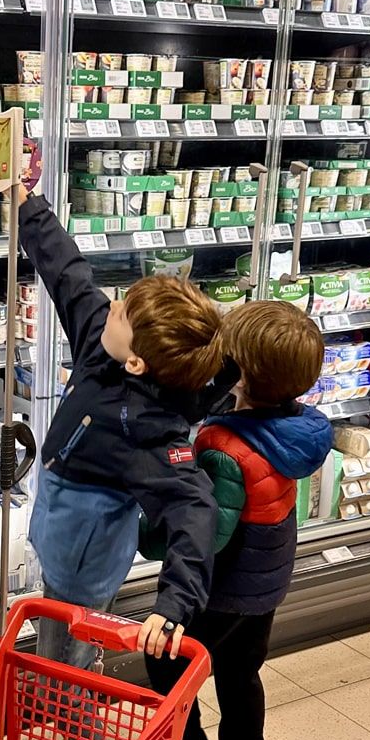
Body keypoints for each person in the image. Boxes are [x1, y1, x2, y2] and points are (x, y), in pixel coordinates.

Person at [17, 187, 223, 669]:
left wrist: (174, 606)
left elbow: (195, 509)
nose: (111, 305)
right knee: (57, 646)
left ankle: (74, 723)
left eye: (123, 312)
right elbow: (70, 276)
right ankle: (60, 704)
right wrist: (27, 203)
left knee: (73, 664)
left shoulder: (149, 429)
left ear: (136, 362)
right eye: (123, 299)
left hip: (86, 561)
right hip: (61, 531)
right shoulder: (102, 344)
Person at [146, 299, 331, 740]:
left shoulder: (224, 448)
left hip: (223, 589)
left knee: (167, 668)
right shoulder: (299, 429)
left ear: (241, 374)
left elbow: (208, 534)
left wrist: (150, 534)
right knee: (240, 674)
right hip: (265, 585)